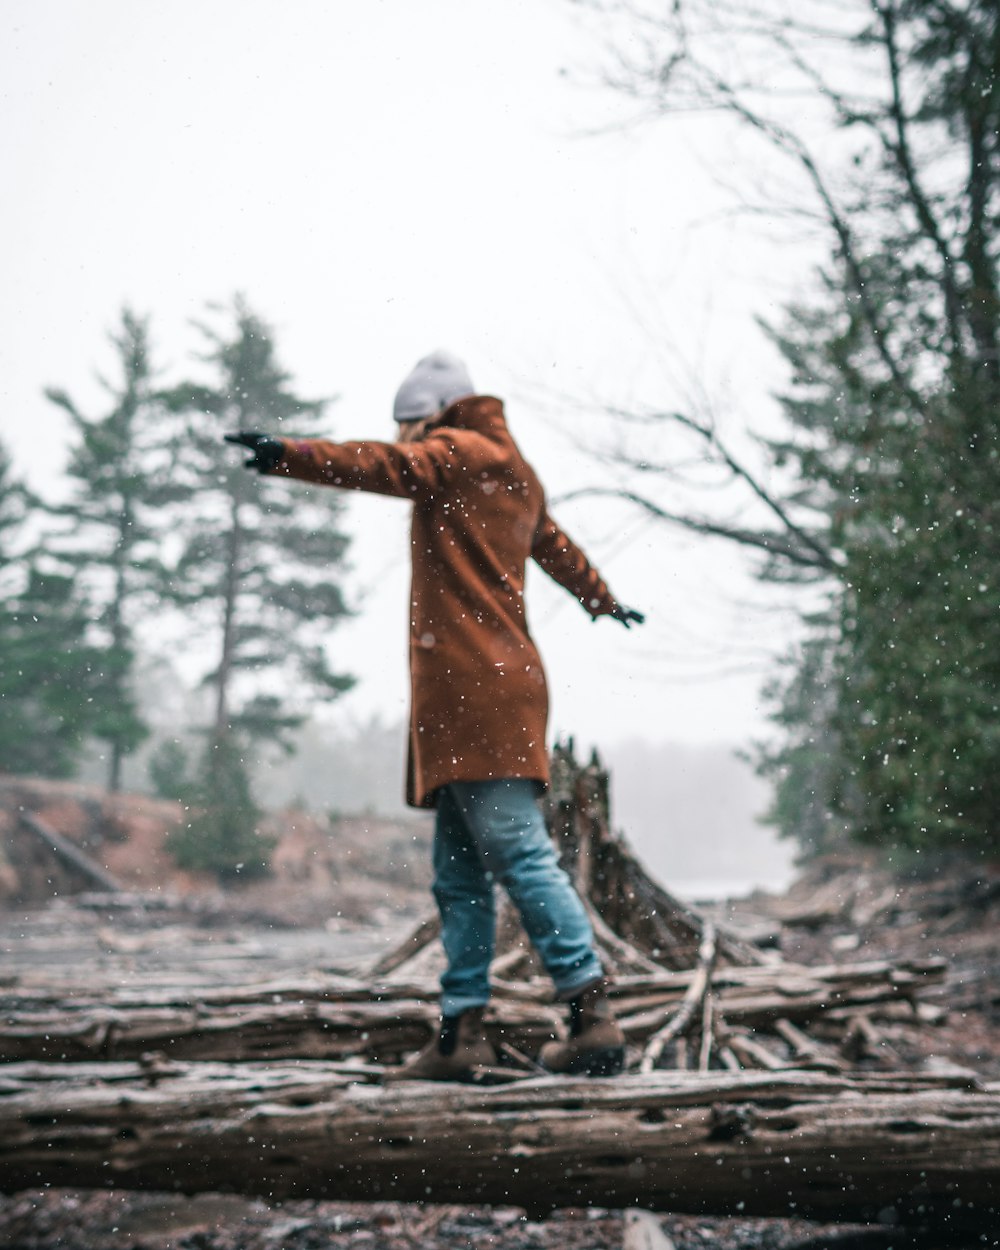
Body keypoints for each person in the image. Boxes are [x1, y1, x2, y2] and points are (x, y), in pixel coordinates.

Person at [225, 350, 644, 1081]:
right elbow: (557, 547)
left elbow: (384, 467)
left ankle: (590, 1013)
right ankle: (462, 1036)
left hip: (473, 690)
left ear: (431, 416)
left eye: (408, 428)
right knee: (457, 875)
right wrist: (601, 599)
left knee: (518, 856)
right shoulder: (513, 470)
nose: (406, 442)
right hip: (486, 692)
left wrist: (290, 455)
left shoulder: (455, 452)